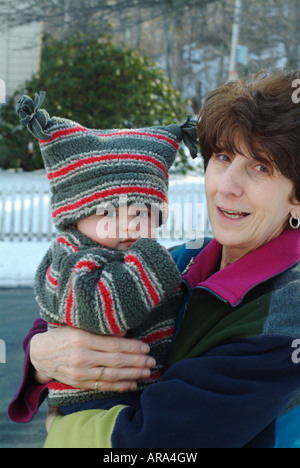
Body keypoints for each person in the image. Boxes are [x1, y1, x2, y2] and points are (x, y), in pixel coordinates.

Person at [8, 69, 300, 448]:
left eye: (261, 166)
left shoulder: (287, 313)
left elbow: (160, 442)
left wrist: (63, 431)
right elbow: (64, 303)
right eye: (223, 156)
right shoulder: (185, 258)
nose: (227, 185)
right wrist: (41, 354)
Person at [12, 92, 198, 413]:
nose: (128, 226)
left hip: (131, 395)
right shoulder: (71, 257)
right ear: (74, 214)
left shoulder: (125, 257)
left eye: (142, 213)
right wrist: (152, 267)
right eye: (109, 212)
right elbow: (98, 312)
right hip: (94, 400)